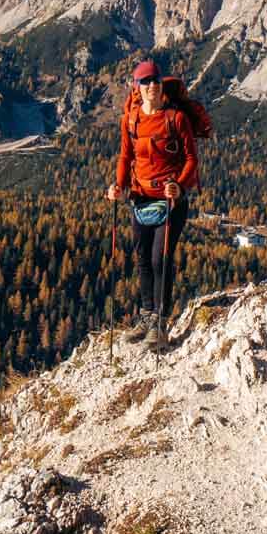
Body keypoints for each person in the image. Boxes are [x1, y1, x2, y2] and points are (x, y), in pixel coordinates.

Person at [105, 58, 199, 349]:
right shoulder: (130, 119)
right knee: (143, 258)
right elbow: (125, 157)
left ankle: (160, 322)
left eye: (155, 82)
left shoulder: (176, 119)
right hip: (139, 198)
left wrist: (180, 186)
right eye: (145, 82)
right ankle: (147, 316)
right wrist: (119, 186)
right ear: (137, 87)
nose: (152, 87)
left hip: (171, 202)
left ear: (161, 85)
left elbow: (192, 159)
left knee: (161, 259)